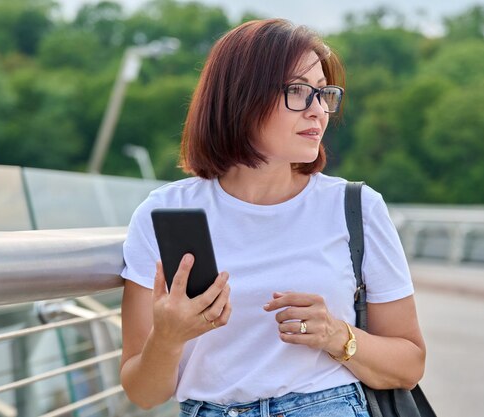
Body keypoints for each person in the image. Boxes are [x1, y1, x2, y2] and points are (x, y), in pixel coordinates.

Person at [119, 19, 426, 417]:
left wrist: (338, 335)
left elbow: (410, 364)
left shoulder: (357, 207)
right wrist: (168, 338)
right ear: (242, 97)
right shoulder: (164, 214)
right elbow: (144, 393)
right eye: (299, 92)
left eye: (324, 94)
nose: (318, 111)